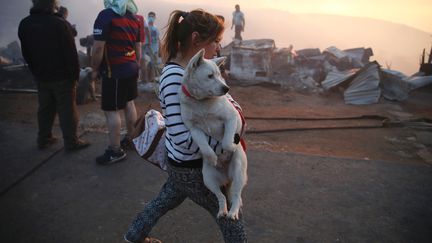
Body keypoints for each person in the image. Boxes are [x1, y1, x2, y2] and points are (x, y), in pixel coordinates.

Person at [124, 9, 247, 243]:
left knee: (164, 200)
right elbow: (181, 134)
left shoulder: (197, 71)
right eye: (215, 42)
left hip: (181, 164)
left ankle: (133, 236)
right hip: (191, 167)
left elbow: (226, 102)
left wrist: (233, 119)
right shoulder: (175, 78)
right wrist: (223, 147)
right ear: (196, 40)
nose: (218, 48)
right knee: (230, 215)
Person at [18, 0, 90, 151]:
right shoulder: (59, 23)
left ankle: (43, 139)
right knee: (67, 110)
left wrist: (36, 71)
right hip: (62, 77)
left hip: (41, 76)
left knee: (45, 108)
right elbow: (70, 53)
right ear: (52, 4)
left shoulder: (25, 23)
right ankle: (71, 142)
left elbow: (26, 53)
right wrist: (75, 76)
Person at [91, 0, 142, 165]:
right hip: (131, 67)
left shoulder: (106, 16)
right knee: (129, 103)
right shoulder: (136, 18)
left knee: (111, 110)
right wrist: (136, 66)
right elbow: (138, 48)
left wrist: (93, 69)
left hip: (114, 71)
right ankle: (132, 139)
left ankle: (115, 150)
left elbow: (98, 48)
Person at [143, 11, 161, 82]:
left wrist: (160, 49)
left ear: (155, 18)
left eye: (152, 17)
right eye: (150, 16)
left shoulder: (156, 28)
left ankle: (152, 80)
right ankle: (146, 80)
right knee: (147, 66)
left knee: (154, 66)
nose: (151, 18)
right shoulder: (145, 27)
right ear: (147, 17)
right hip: (147, 50)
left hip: (155, 50)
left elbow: (158, 39)